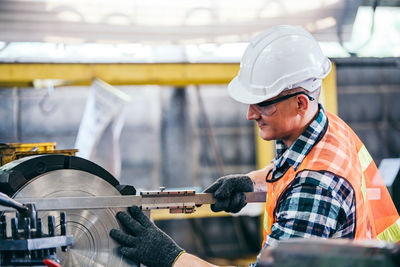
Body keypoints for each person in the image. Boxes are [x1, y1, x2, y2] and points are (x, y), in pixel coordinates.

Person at [109, 25, 400, 267]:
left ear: (300, 102)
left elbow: (309, 180)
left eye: (263, 103)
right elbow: (297, 167)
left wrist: (170, 257)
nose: (250, 114)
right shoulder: (328, 127)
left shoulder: (314, 190)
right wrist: (250, 182)